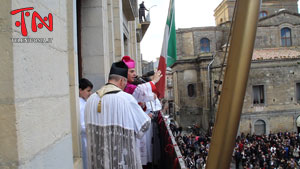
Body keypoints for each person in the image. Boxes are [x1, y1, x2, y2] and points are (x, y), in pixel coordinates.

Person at [85, 61, 151, 169]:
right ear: (121, 80)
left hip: (99, 161)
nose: (125, 85)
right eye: (125, 82)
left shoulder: (91, 100)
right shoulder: (126, 99)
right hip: (120, 160)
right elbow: (144, 125)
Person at [79, 78, 93, 169]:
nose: (90, 93)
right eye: (88, 91)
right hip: (83, 139)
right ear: (80, 90)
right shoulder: (79, 105)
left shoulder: (85, 102)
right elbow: (81, 125)